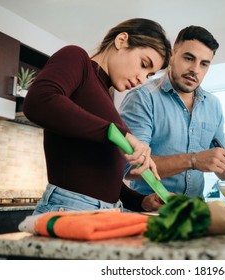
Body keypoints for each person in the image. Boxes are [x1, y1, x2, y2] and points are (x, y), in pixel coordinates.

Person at [23, 18, 172, 214]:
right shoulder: (77, 58)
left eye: (149, 75)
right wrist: (119, 133)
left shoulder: (105, 96)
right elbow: (39, 100)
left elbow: (98, 178)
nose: (142, 79)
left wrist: (141, 201)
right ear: (121, 40)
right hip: (71, 209)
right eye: (144, 64)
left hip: (105, 211)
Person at [119, 25, 225, 198]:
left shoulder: (213, 105)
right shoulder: (142, 98)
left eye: (204, 64)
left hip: (195, 215)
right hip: (149, 214)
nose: (195, 69)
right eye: (189, 58)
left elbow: (218, 162)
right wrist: (193, 160)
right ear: (172, 56)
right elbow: (130, 168)